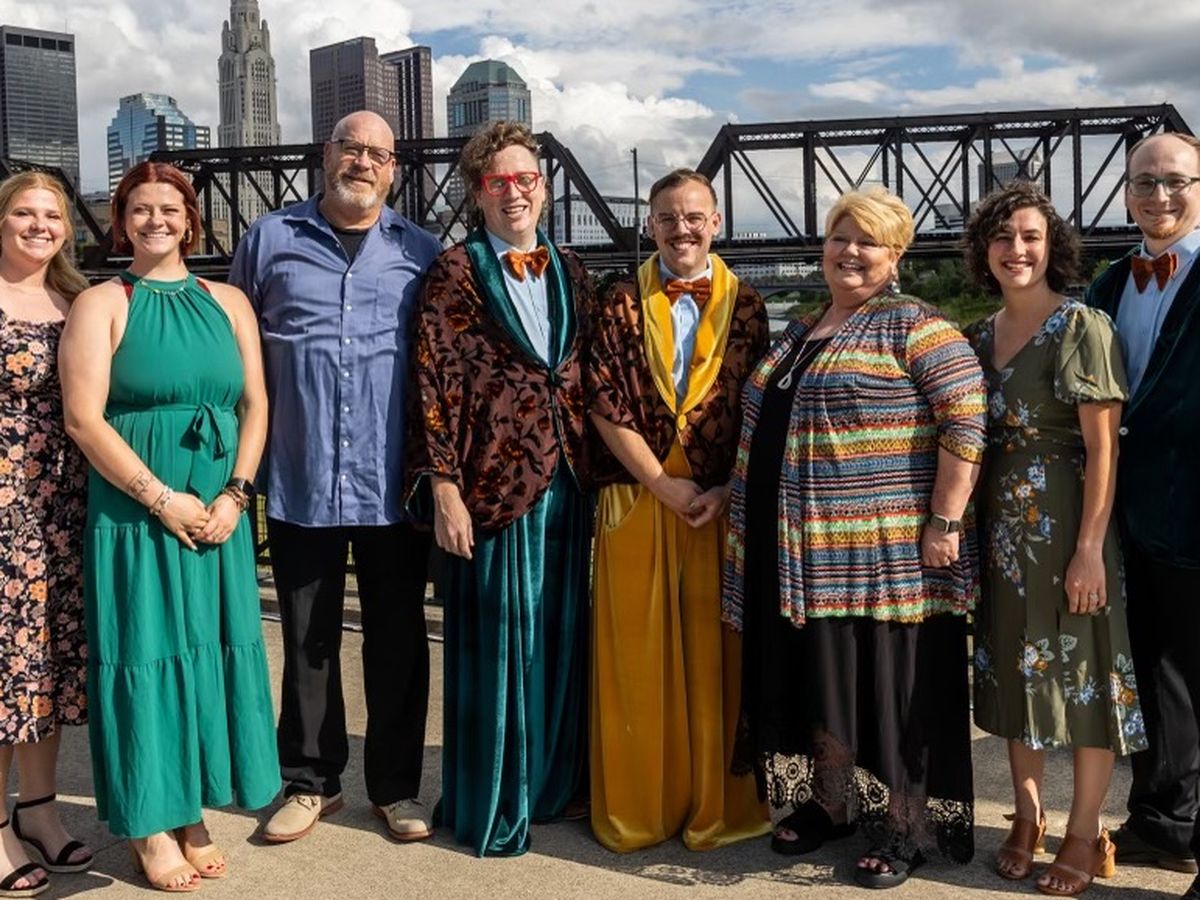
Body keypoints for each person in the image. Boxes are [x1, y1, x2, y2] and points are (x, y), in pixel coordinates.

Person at [723, 187, 986, 889]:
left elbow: (966, 420)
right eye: (841, 236)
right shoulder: (801, 328)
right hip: (797, 551)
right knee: (823, 682)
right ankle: (832, 804)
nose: (851, 252)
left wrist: (945, 520)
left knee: (888, 691)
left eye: (869, 241)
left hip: (882, 555)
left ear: (896, 255)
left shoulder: (917, 326)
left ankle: (903, 828)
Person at [59, 161, 278, 892]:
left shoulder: (229, 301)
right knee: (145, 651)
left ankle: (189, 807)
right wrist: (161, 498)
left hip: (218, 509)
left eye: (170, 209)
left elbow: (255, 404)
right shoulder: (101, 303)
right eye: (141, 210)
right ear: (121, 223)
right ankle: (150, 822)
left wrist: (236, 495)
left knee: (205, 650)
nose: (156, 220)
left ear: (190, 221)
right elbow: (83, 419)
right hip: (137, 510)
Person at [228, 110, 442, 845]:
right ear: (327, 154)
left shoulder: (421, 250)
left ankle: (396, 788)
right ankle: (311, 782)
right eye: (351, 148)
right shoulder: (269, 240)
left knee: (398, 641)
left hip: (392, 482)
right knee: (307, 639)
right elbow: (236, 355)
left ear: (394, 170)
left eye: (378, 154)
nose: (363, 162)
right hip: (301, 473)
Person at [407, 120, 592, 857]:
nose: (513, 192)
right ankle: (495, 801)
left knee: (560, 642)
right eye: (497, 181)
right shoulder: (455, 270)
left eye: (525, 179)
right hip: (493, 485)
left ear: (543, 187)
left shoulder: (571, 268)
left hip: (569, 480)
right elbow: (432, 384)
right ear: (477, 192)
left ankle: (551, 785)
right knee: (499, 650)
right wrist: (444, 489)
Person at [963, 181, 1144, 896]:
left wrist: (1090, 548)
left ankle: (1085, 831)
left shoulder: (1082, 327)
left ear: (1053, 247)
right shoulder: (978, 336)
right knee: (1017, 672)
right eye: (1002, 237)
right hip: (1002, 536)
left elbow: (1105, 449)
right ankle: (1029, 815)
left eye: (1031, 236)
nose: (1017, 250)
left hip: (1070, 527)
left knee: (1085, 676)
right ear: (984, 251)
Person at [587, 168, 770, 852]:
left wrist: (727, 489)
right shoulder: (618, 300)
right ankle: (642, 807)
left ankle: (714, 804)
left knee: (717, 657)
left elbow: (760, 408)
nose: (681, 229)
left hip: (718, 505)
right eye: (667, 218)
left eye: (694, 217)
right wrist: (662, 483)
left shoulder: (749, 304)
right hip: (638, 496)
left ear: (716, 222)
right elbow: (603, 400)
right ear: (650, 226)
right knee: (635, 659)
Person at [1086, 131, 1200, 900]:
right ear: (1126, 192)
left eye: (1176, 181)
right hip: (1130, 514)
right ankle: (1165, 822)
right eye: (1145, 182)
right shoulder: (1108, 283)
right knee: (1155, 674)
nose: (1159, 195)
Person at [0, 172, 91, 898]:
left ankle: (37, 809)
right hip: (3, 510)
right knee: (5, 670)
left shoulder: (77, 299)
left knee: (49, 667)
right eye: (24, 213)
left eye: (52, 215)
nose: (39, 226)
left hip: (62, 507)